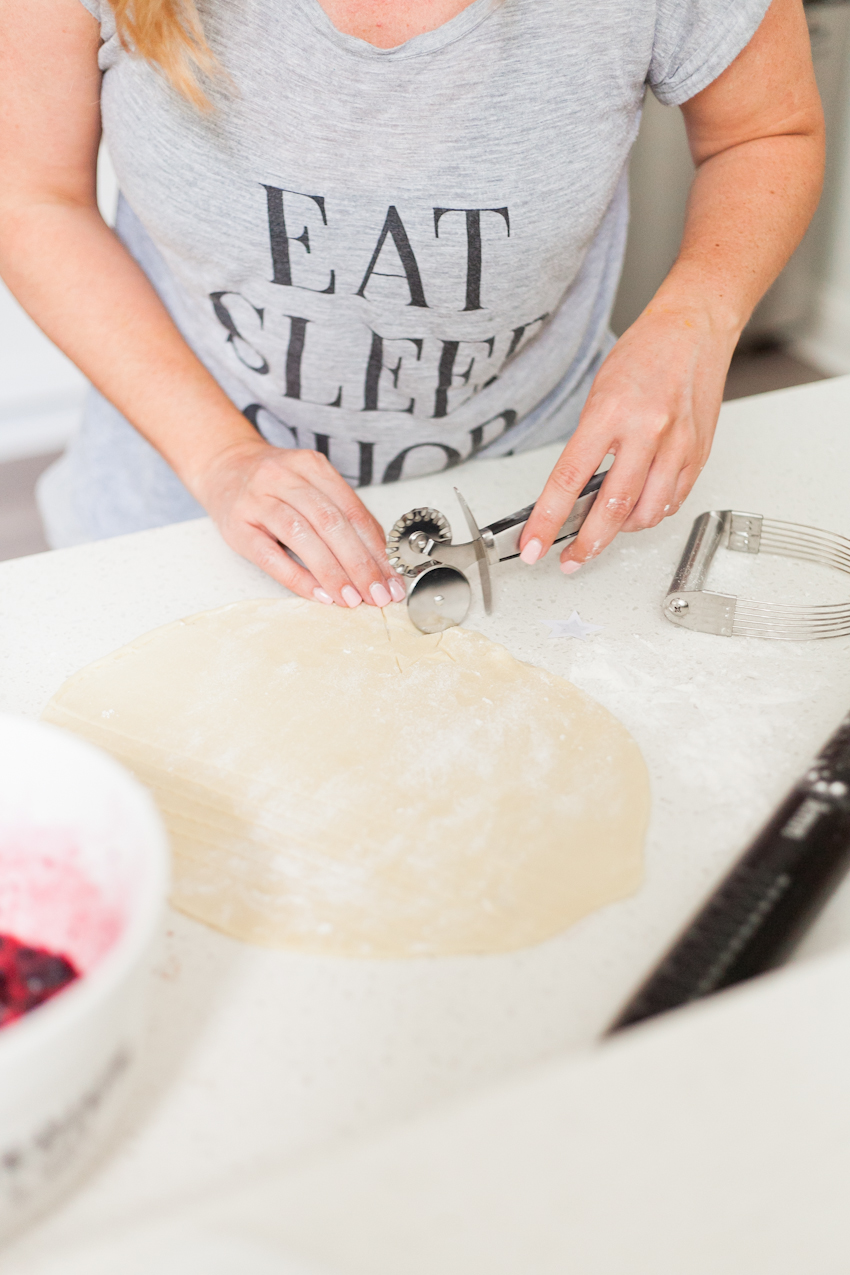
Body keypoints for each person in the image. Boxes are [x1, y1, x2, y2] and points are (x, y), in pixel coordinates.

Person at [0, 0, 823, 611]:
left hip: (529, 515)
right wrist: (220, 458)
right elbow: (32, 198)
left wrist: (696, 319)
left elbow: (765, 133)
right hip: (178, 514)